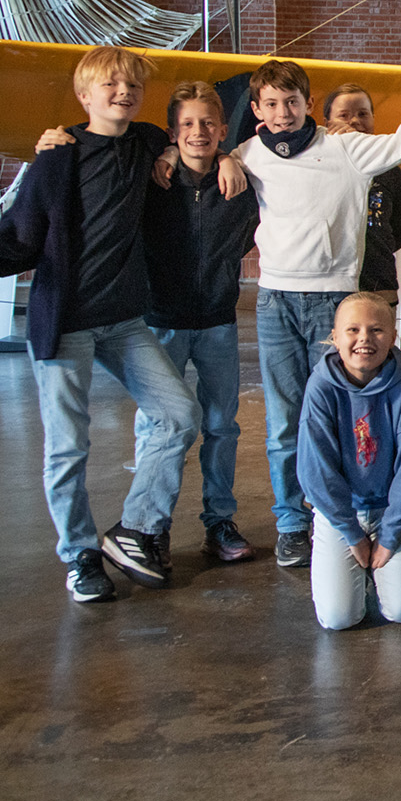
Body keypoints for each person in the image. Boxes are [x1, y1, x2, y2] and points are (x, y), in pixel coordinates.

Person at [0, 47, 201, 602]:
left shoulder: (146, 143)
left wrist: (203, 155)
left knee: (180, 413)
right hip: (67, 324)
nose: (122, 92)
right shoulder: (57, 157)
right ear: (85, 96)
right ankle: (80, 554)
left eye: (131, 84)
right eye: (109, 85)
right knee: (68, 447)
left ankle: (134, 529)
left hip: (125, 321)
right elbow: (21, 232)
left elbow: (183, 134)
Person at [233, 45, 401, 569]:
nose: (282, 112)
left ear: (308, 103)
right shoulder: (248, 154)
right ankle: (291, 521)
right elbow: (204, 158)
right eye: (271, 103)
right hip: (275, 301)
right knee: (285, 421)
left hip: (333, 298)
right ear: (258, 109)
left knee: (340, 419)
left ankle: (339, 514)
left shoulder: (345, 148)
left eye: (291, 101)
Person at [135, 81, 261, 564]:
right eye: (186, 124)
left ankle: (219, 521)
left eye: (208, 122)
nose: (198, 132)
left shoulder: (240, 183)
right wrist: (164, 153)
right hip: (160, 323)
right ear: (172, 131)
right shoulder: (154, 181)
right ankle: (153, 526)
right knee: (159, 425)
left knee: (221, 426)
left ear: (224, 129)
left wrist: (232, 159)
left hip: (216, 322)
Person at [297, 292, 401, 630]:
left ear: (392, 337)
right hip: (341, 514)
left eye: (376, 331)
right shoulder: (320, 388)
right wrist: (350, 532)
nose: (364, 339)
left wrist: (389, 535)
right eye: (353, 330)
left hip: (390, 511)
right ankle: (348, 565)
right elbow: (316, 470)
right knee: (338, 618)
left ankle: (383, 567)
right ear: (335, 336)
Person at [321, 82, 401, 298]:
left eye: (363, 114)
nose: (354, 121)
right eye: (344, 115)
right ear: (327, 122)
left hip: (378, 282)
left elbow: (399, 232)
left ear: (373, 118)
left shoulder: (391, 173)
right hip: (330, 285)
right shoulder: (319, 168)